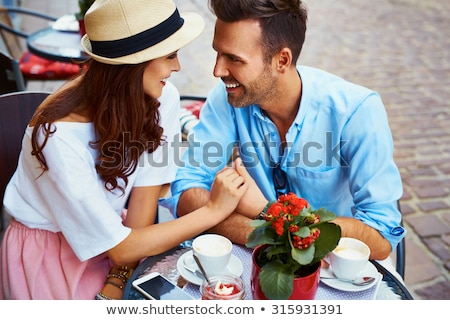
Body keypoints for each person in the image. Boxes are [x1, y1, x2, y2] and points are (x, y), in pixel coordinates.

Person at [0, 0, 249, 300]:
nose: (177, 66)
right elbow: (120, 248)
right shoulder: (57, 137)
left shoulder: (161, 96)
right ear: (132, 65)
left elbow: (145, 191)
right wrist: (214, 210)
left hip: (121, 240)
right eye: (170, 55)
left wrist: (119, 276)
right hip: (49, 258)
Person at [163, 0, 406, 264]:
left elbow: (381, 237)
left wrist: (264, 212)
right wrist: (271, 234)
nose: (218, 70)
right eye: (218, 53)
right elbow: (186, 190)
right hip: (252, 261)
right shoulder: (226, 99)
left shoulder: (356, 113)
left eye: (234, 59)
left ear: (282, 60)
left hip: (332, 268)